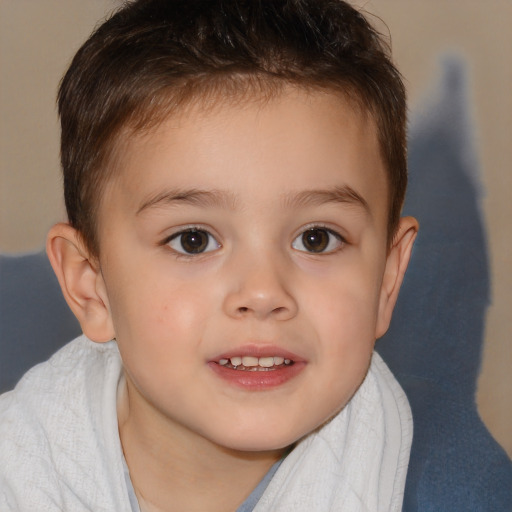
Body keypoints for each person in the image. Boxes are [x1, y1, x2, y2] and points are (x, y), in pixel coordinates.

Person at [0, 0, 418, 510]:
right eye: (193, 239)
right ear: (91, 284)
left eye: (317, 238)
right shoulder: (21, 473)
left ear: (387, 279)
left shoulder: (449, 490)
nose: (263, 293)